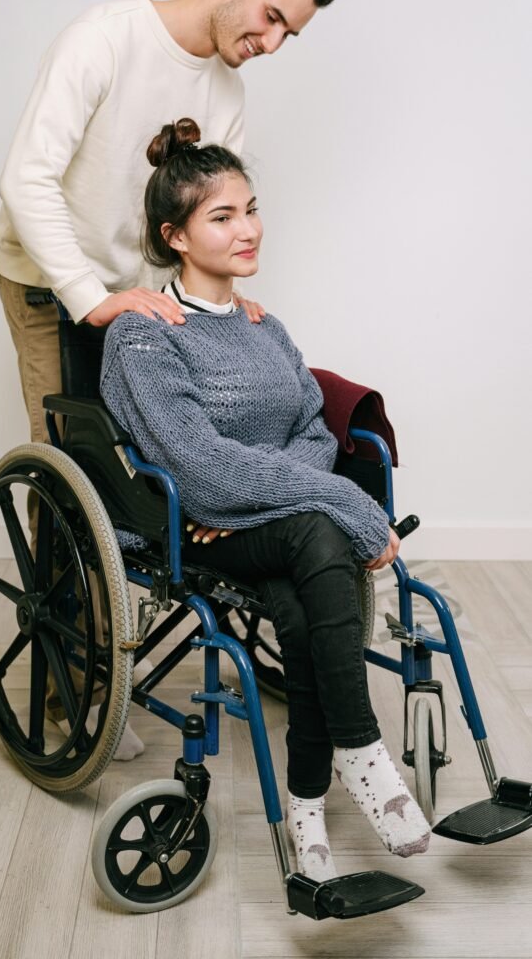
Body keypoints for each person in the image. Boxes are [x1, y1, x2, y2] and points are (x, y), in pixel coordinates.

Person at [0, 0, 338, 754]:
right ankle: (73, 692)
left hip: (143, 300)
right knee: (77, 480)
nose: (271, 43)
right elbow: (26, 181)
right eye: (269, 18)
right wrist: (91, 297)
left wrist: (222, 304)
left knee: (161, 470)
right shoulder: (104, 38)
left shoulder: (225, 90)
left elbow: (205, 214)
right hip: (51, 282)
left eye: (289, 33)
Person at [100, 118, 431, 880]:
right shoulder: (144, 337)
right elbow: (201, 467)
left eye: (250, 209)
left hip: (257, 527)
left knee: (298, 595)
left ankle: (309, 811)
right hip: (200, 531)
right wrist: (347, 508)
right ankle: (360, 751)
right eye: (222, 216)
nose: (247, 229)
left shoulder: (264, 325)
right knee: (323, 528)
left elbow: (311, 432)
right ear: (174, 236)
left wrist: (257, 494)